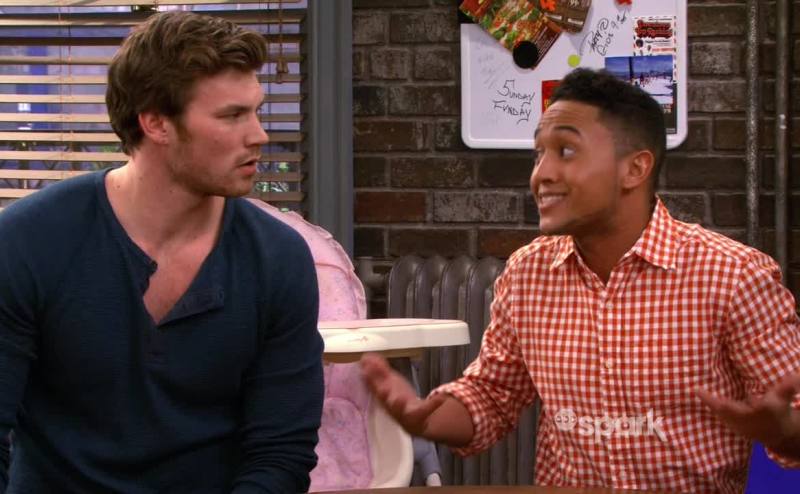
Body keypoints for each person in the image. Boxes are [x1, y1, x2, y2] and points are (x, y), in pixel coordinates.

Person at [361, 67, 800, 493]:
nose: (541, 174)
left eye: (566, 151)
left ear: (635, 169)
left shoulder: (734, 276)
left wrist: (783, 432)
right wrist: (426, 418)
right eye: (539, 154)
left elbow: (792, 414)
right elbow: (492, 396)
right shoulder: (528, 272)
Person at [0, 11, 323, 493]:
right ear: (155, 122)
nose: (259, 134)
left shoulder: (278, 258)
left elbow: (281, 453)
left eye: (256, 111)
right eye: (232, 115)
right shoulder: (28, 242)